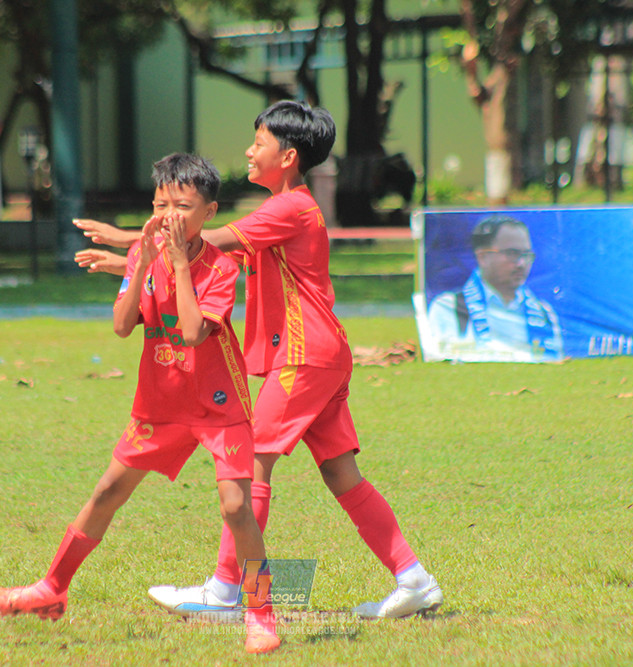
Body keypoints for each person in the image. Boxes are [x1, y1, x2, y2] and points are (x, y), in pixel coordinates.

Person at [74, 101, 443, 620]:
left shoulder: (290, 206)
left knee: (250, 469)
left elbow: (202, 237)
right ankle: (414, 578)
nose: (249, 151)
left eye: (259, 142)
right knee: (341, 474)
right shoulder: (286, 209)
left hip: (303, 356)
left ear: (287, 156)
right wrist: (130, 261)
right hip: (322, 354)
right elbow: (206, 258)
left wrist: (129, 237)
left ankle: (227, 591)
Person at [0, 153, 280, 655]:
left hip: (218, 405)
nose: (168, 216)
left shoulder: (223, 268)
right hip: (160, 404)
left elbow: (190, 332)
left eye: (182, 205)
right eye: (161, 204)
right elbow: (122, 325)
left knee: (236, 508)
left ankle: (261, 614)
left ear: (209, 211)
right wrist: (140, 264)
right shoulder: (151, 258)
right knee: (104, 494)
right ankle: (51, 589)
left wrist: (179, 266)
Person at [426, 215, 563, 362]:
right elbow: (444, 357)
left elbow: (554, 358)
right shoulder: (449, 307)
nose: (521, 263)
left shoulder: (544, 313)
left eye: (526, 255)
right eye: (512, 254)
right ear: (483, 257)